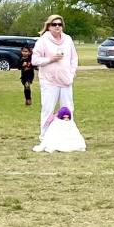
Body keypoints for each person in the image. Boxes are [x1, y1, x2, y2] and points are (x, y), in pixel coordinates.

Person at [32, 14, 79, 149]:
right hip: (49, 81)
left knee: (68, 109)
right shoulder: (43, 40)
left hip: (66, 81)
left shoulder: (68, 39)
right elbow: (34, 60)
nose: (57, 27)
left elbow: (74, 58)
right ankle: (44, 137)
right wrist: (50, 59)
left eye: (59, 24)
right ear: (48, 26)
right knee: (48, 109)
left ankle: (68, 137)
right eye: (54, 24)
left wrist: (72, 73)